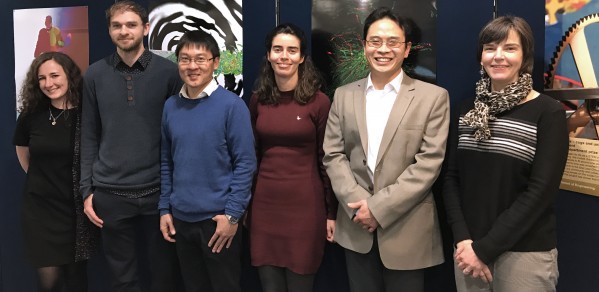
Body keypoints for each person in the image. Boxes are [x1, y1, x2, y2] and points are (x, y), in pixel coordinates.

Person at [323, 7, 449, 292]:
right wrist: (359, 205)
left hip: (407, 231)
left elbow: (428, 164)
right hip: (356, 228)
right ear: (365, 46)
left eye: (393, 42)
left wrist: (378, 208)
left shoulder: (433, 98)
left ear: (406, 49)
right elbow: (333, 154)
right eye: (375, 41)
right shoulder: (343, 96)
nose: (383, 49)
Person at [443, 16, 568, 292]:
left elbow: (540, 192)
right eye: (490, 48)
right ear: (481, 57)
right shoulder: (467, 110)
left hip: (524, 254)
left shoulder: (548, 112)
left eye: (510, 48)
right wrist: (463, 239)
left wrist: (484, 250)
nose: (498, 56)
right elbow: (451, 178)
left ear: (524, 57)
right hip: (467, 251)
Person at [80, 1, 182, 291]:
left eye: (131, 24)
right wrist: (87, 190)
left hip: (159, 194)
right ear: (110, 31)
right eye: (117, 25)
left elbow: (178, 135)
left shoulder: (169, 73)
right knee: (122, 280)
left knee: (165, 277)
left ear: (146, 28)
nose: (124, 31)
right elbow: (88, 135)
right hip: (110, 194)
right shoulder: (94, 75)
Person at [158, 30, 256, 292]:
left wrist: (232, 216)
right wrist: (165, 209)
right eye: (184, 59)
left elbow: (245, 164)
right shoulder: (170, 106)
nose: (192, 66)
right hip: (180, 220)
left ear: (215, 62)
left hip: (218, 222)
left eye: (200, 59)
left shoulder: (232, 106)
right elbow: (167, 161)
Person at [248, 23, 338, 292]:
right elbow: (251, 155)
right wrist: (245, 206)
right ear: (268, 55)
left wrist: (331, 212)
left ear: (301, 57)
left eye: (291, 50)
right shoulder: (257, 100)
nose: (283, 56)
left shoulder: (319, 102)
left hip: (306, 210)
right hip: (264, 207)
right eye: (277, 49)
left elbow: (327, 159)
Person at [14, 52, 95, 292]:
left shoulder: (87, 114)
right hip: (40, 210)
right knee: (50, 284)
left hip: (77, 210)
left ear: (69, 76)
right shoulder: (31, 115)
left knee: (76, 280)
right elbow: (23, 153)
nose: (49, 83)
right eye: (42, 78)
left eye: (54, 75)